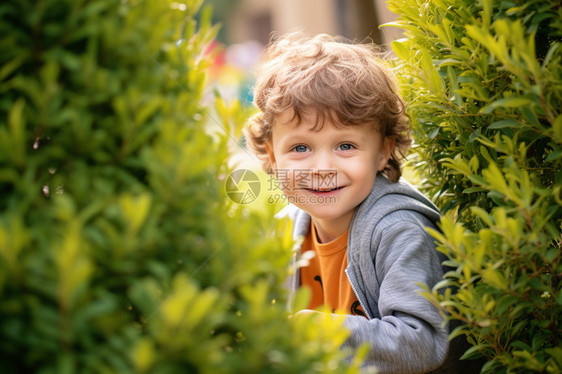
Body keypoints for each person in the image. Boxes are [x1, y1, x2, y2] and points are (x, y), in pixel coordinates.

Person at [244, 32, 457, 373]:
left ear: (383, 150)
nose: (323, 168)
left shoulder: (399, 229)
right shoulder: (286, 229)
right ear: (272, 155)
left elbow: (422, 342)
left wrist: (316, 331)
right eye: (300, 148)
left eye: (345, 146)